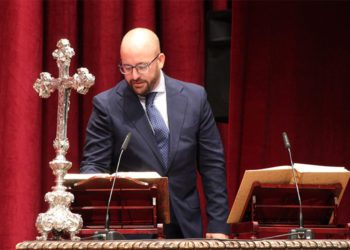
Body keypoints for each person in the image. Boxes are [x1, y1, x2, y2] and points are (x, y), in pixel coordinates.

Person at [80, 27, 230, 239]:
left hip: (185, 226)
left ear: (160, 60)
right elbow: (93, 165)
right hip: (132, 230)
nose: (134, 76)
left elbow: (212, 165)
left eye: (141, 66)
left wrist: (218, 224)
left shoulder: (195, 99)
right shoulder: (107, 106)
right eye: (127, 67)